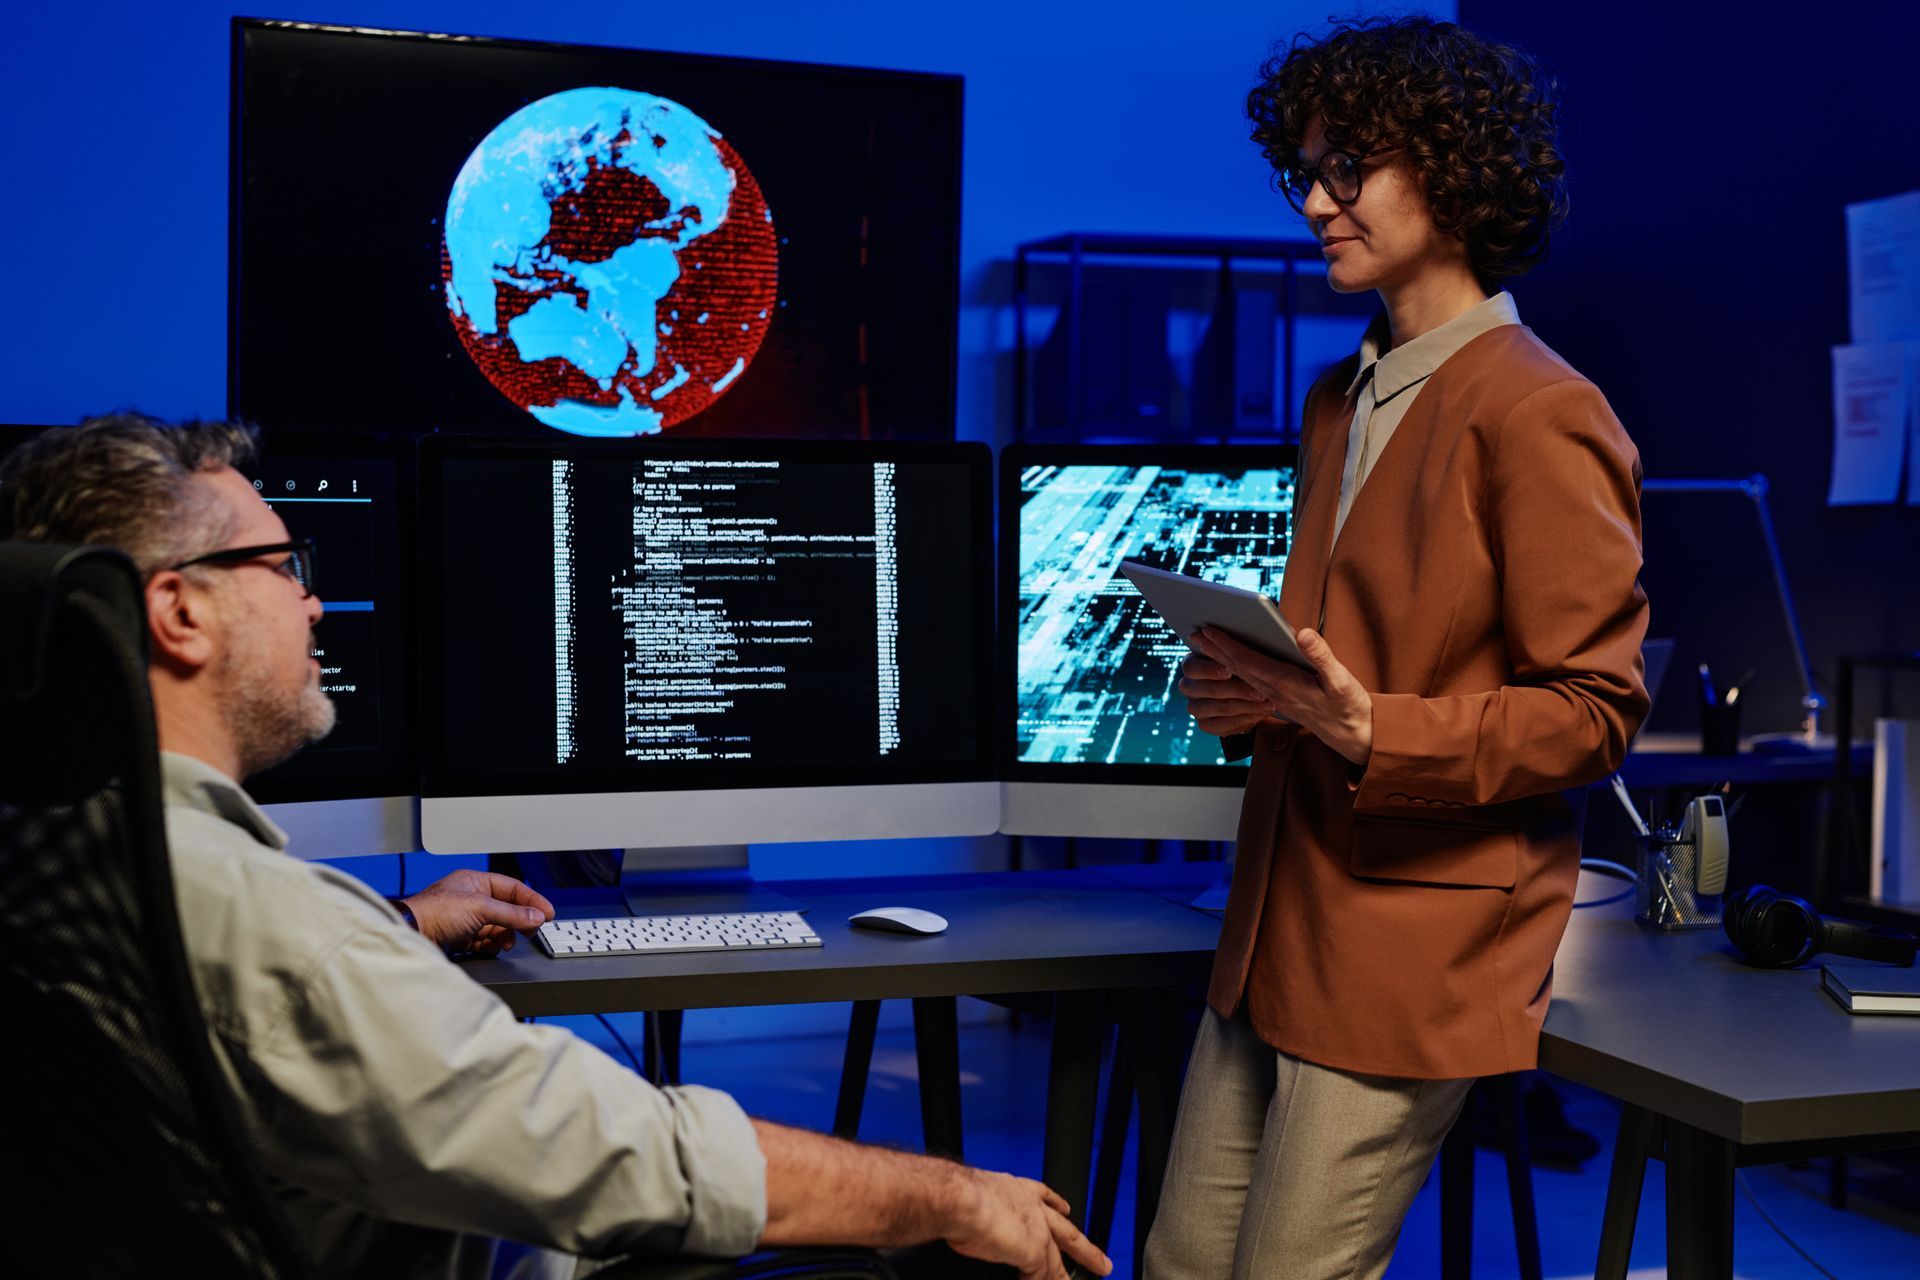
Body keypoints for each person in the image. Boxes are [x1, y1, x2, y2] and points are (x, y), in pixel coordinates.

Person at [0, 414, 1112, 1280]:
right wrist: (958, 1192)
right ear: (178, 613)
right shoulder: (289, 942)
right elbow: (637, 1153)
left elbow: (256, 984)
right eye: (284, 566)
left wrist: (390, 927)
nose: (319, 601)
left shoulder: (67, 854)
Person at [1143, 17, 1648, 1280]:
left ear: (1451, 167)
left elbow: (1596, 711)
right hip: (1274, 918)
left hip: (1412, 939)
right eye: (1302, 173)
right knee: (1180, 1262)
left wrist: (1382, 730)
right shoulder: (1340, 393)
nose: (1313, 202)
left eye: (1345, 169)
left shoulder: (1543, 410)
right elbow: (1343, 648)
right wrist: (1249, 690)